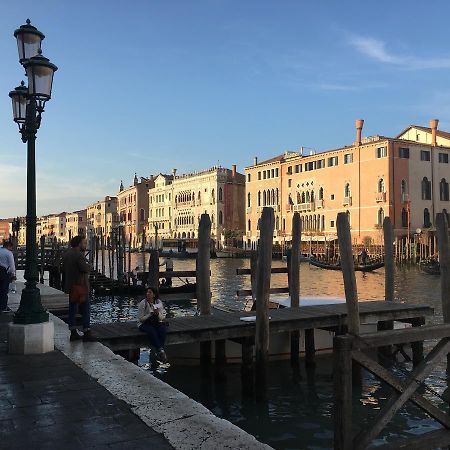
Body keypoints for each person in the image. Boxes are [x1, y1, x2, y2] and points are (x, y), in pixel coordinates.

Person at [62, 235, 93, 341]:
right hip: (81, 286)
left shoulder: (67, 254)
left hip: (71, 286)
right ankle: (87, 331)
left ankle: (73, 332)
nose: (85, 245)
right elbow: (84, 269)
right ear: (79, 244)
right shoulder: (79, 256)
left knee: (72, 309)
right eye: (84, 243)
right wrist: (90, 266)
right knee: (85, 309)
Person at [137, 287, 168, 363]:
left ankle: (160, 351)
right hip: (144, 323)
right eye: (147, 292)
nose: (148, 294)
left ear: (154, 295)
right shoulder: (143, 303)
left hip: (155, 322)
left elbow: (162, 317)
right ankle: (160, 350)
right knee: (152, 331)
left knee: (162, 330)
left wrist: (157, 314)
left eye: (150, 292)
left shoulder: (158, 302)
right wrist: (150, 314)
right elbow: (141, 319)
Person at [0, 241, 16, 313]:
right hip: (3, 273)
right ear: (9, 246)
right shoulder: (9, 253)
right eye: (11, 247)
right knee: (4, 290)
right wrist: (13, 274)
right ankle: (3, 307)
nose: (12, 249)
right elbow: (12, 265)